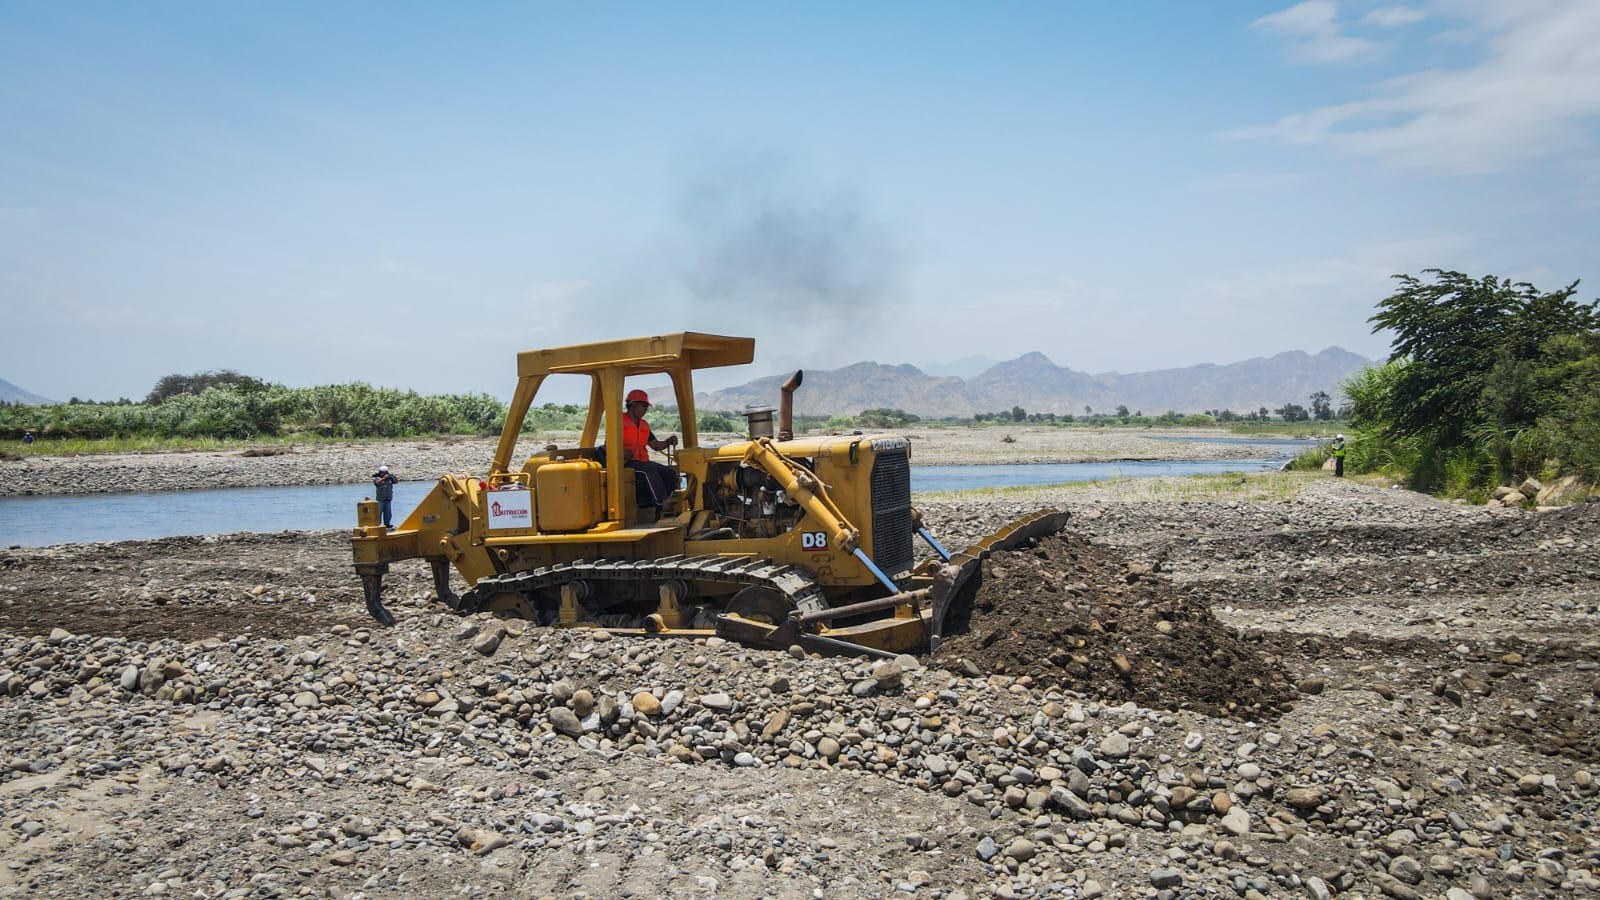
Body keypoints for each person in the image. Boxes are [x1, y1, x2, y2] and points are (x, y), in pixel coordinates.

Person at [621, 389, 678, 508]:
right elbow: (608, 447)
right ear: (633, 404)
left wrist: (668, 441)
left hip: (642, 462)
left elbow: (655, 445)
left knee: (669, 473)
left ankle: (665, 504)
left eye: (647, 406)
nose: (646, 409)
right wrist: (622, 453)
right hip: (625, 463)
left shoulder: (644, 425)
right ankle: (661, 503)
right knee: (650, 469)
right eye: (644, 405)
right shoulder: (619, 422)